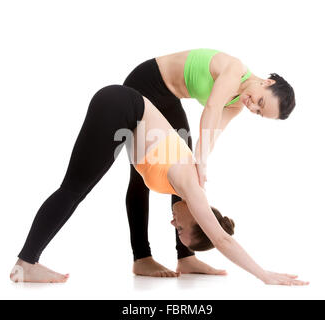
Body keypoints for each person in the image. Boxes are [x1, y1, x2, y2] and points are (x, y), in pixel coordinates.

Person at [10, 85, 307, 286]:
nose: (172, 222)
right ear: (200, 219)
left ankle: (27, 262)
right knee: (74, 189)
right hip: (122, 106)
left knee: (75, 189)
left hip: (121, 110)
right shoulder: (192, 186)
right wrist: (265, 275)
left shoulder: (181, 189)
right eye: (179, 229)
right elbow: (222, 240)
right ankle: (26, 263)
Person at [124, 48, 296, 276]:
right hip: (145, 85)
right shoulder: (234, 69)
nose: (252, 107)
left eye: (258, 112)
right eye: (260, 102)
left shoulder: (236, 105)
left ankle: (186, 257)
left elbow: (212, 134)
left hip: (168, 99)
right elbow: (212, 108)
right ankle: (142, 257)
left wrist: (200, 164)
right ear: (267, 82)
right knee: (141, 174)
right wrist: (200, 161)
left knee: (183, 170)